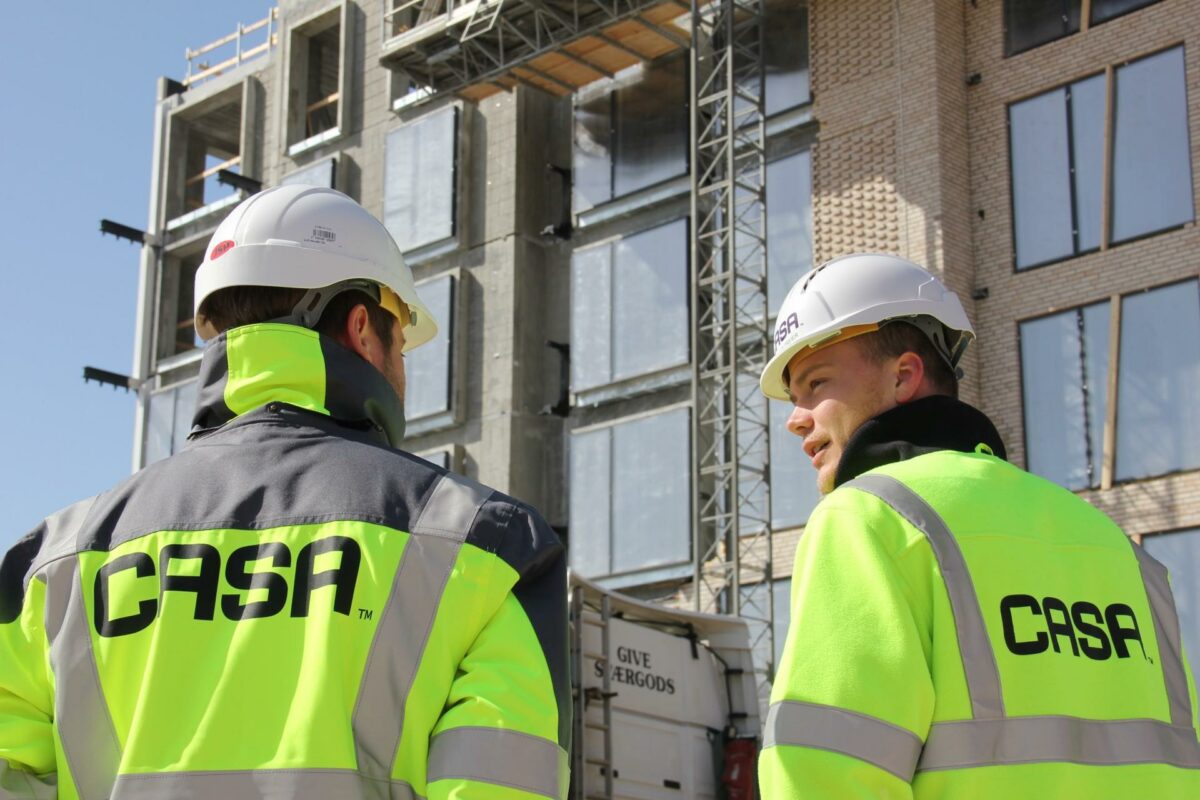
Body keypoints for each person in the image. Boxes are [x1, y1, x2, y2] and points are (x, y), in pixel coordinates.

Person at [0, 185, 570, 799]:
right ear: (361, 329)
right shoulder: (485, 548)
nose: (403, 372)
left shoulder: (51, 566)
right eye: (400, 344)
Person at [757, 253, 1200, 797]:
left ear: (903, 376)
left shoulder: (869, 517)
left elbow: (823, 774)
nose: (794, 417)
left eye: (815, 383)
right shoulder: (1119, 549)